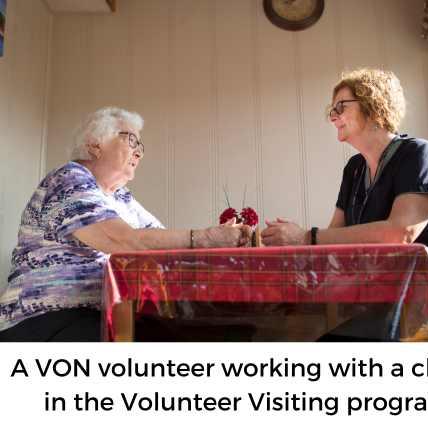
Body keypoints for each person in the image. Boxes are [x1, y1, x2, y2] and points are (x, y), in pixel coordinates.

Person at [261, 68, 428, 341]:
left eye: (341, 106)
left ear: (373, 105)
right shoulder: (354, 170)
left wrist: (304, 236)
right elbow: (330, 248)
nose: (332, 115)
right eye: (331, 109)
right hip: (397, 305)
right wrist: (287, 253)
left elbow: (401, 234)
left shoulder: (419, 154)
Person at [0, 107, 251, 341]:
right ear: (94, 145)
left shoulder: (121, 197)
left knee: (221, 331)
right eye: (131, 140)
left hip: (103, 314)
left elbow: (162, 249)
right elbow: (122, 240)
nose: (139, 152)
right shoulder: (70, 178)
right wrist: (205, 238)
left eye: (140, 145)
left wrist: (222, 243)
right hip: (45, 319)